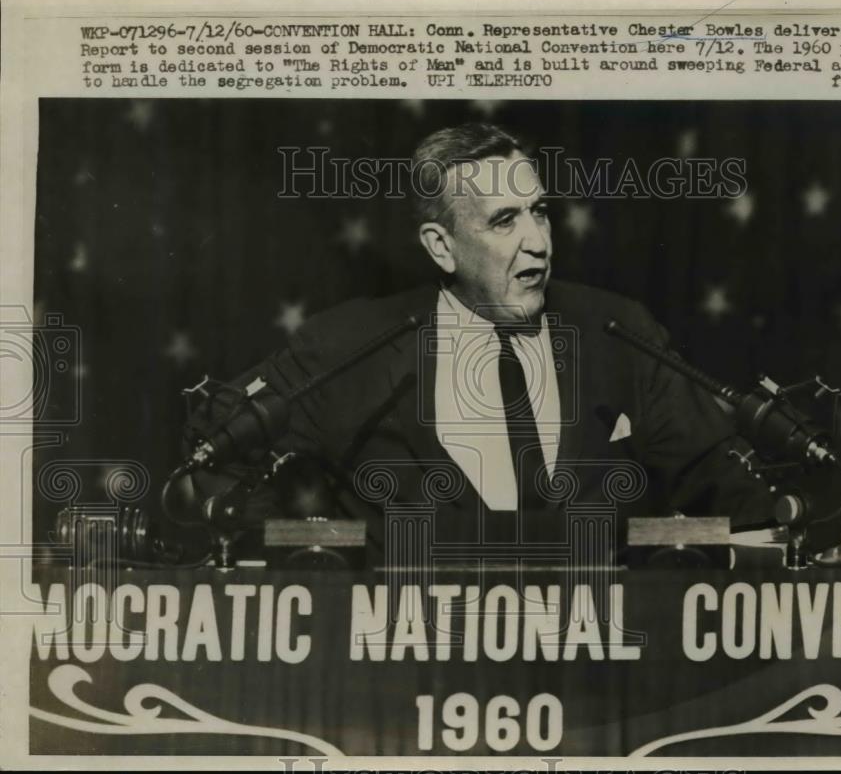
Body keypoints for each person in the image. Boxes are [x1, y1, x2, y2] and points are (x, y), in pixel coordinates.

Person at [183, 122, 773, 564]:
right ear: (442, 247)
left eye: (540, 212)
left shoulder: (617, 331)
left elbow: (723, 482)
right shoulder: (349, 346)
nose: (538, 241)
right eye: (503, 221)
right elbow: (214, 438)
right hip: (402, 679)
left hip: (595, 676)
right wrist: (280, 562)